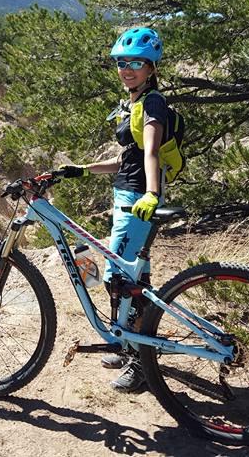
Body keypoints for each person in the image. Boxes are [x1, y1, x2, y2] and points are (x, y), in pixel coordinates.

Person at [61, 27, 175, 393]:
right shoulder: (133, 104)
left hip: (137, 201)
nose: (127, 69)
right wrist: (83, 169)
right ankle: (129, 345)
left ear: (151, 68)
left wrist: (152, 193)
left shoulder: (153, 103)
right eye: (122, 63)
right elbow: (125, 159)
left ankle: (140, 364)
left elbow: (151, 152)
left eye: (136, 63)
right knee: (132, 279)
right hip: (125, 196)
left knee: (121, 280)